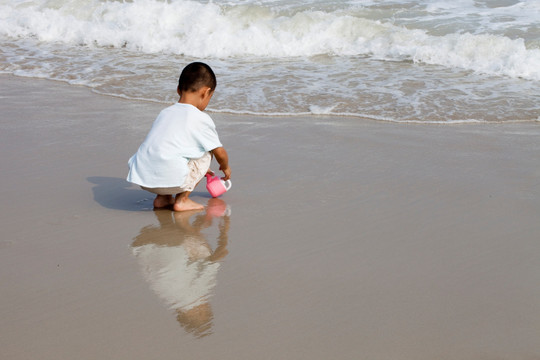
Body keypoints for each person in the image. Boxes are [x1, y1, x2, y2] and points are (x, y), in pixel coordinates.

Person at [127, 62, 231, 211]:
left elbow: (171, 147)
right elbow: (220, 152)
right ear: (205, 93)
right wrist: (225, 167)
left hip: (144, 178)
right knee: (208, 151)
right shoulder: (200, 118)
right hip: (171, 179)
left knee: (166, 150)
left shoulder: (165, 113)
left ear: (178, 90)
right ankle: (182, 200)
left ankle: (162, 199)